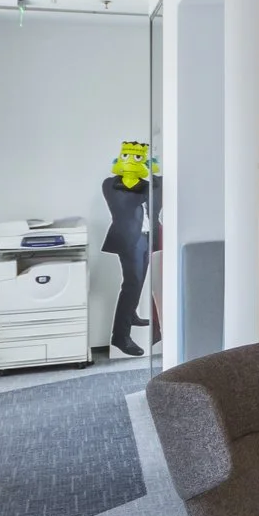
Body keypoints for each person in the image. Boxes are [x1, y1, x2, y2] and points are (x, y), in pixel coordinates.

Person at [101, 141, 156, 357]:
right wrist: (143, 179)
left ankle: (131, 313)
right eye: (129, 156)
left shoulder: (144, 185)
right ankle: (120, 336)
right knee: (131, 284)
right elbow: (126, 203)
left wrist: (153, 175)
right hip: (129, 240)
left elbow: (157, 195)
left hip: (146, 238)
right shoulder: (111, 184)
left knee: (139, 281)